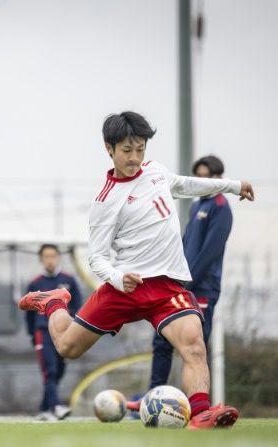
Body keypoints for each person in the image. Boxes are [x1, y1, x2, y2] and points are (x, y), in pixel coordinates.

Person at [18, 111, 254, 429]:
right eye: (127, 150)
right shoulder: (104, 201)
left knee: (194, 344)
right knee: (66, 348)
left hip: (166, 287)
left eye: (140, 148)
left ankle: (200, 414)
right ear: (109, 149)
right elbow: (97, 258)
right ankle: (54, 302)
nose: (135, 157)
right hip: (125, 288)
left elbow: (185, 185)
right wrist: (118, 277)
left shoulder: (154, 171)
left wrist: (233, 185)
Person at [149, 155, 232, 389]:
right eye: (199, 177)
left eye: (207, 177)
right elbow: (184, 245)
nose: (202, 181)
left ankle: (197, 406)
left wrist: (185, 283)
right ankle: (153, 396)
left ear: (219, 179)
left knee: (196, 349)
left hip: (201, 288)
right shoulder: (196, 206)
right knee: (161, 341)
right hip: (180, 286)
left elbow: (210, 253)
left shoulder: (221, 207)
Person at [25, 244, 83, 421]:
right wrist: (32, 335)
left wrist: (75, 330)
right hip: (43, 333)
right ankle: (57, 407)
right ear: (41, 259)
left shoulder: (69, 280)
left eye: (53, 256)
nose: (50, 259)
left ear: (58, 258)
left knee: (58, 372)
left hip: (65, 333)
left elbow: (79, 307)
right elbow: (29, 313)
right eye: (46, 256)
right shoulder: (35, 283)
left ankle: (44, 409)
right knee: (49, 372)